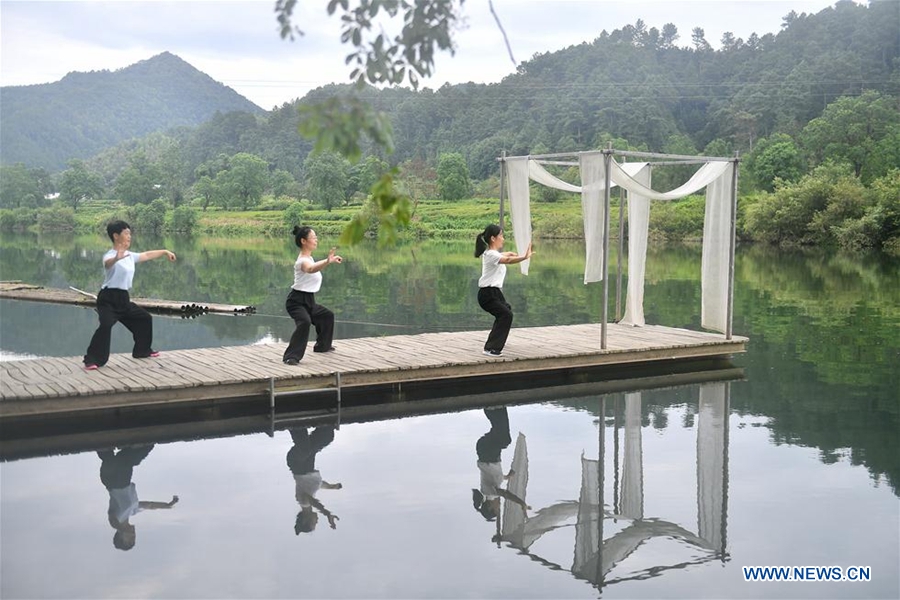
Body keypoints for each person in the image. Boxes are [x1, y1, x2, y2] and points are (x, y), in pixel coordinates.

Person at [83, 220, 177, 370]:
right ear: (116, 236)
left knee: (145, 318)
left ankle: (142, 351)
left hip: (123, 299)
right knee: (106, 325)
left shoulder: (129, 255)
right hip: (108, 299)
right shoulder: (109, 255)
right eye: (126, 233)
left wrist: (165, 252)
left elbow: (147, 254)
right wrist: (117, 258)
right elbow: (108, 264)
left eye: (130, 234)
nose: (129, 236)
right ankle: (92, 359)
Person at [97, 445, 178, 551]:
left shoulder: (117, 519)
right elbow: (150, 505)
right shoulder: (132, 511)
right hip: (122, 477)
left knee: (115, 457)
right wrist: (168, 505)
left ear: (120, 536)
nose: (133, 536)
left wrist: (121, 529)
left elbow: (112, 519)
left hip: (113, 480)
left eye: (129, 539)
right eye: (134, 539)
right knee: (141, 451)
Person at [283, 226, 342, 365]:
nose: (316, 240)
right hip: (296, 302)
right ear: (303, 241)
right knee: (305, 322)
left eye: (316, 237)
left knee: (327, 316)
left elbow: (313, 265)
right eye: (313, 238)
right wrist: (327, 261)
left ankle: (322, 346)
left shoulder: (309, 258)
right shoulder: (302, 261)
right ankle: (291, 356)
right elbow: (310, 269)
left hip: (309, 301)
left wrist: (328, 261)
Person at [474, 224, 533, 357]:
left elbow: (503, 255)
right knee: (506, 315)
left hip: (495, 293)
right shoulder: (491, 255)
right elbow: (507, 260)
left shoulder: (491, 253)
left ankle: (495, 341)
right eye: (501, 235)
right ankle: (491, 348)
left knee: (506, 311)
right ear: (493, 238)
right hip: (487, 294)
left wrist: (511, 253)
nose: (503, 238)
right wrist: (524, 257)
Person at [472, 407, 530, 523]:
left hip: (487, 452)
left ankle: (492, 409)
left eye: (497, 508)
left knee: (504, 439)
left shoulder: (490, 493)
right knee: (501, 434)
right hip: (485, 450)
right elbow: (493, 475)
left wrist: (521, 503)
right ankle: (496, 409)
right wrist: (507, 476)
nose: (499, 506)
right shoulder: (489, 489)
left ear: (490, 507)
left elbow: (505, 494)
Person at [286, 426, 342, 534]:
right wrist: (332, 487)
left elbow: (312, 501)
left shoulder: (303, 501)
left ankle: (295, 425)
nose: (317, 522)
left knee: (305, 450)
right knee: (327, 437)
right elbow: (319, 484)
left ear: (305, 520)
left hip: (296, 463)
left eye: (313, 524)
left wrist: (326, 513)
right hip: (307, 462)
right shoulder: (309, 492)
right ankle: (323, 421)